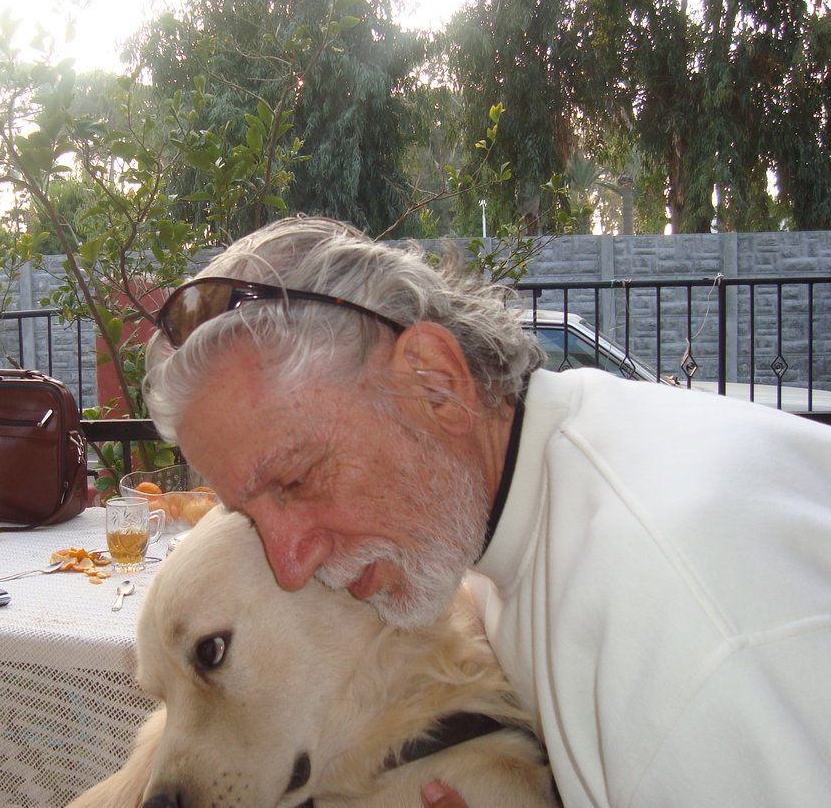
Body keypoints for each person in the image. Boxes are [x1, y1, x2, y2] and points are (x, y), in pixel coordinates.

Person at [142, 215, 831, 808]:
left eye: (296, 479)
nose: (289, 564)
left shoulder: (685, 615)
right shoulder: (511, 510)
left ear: (436, 384)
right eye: (249, 516)